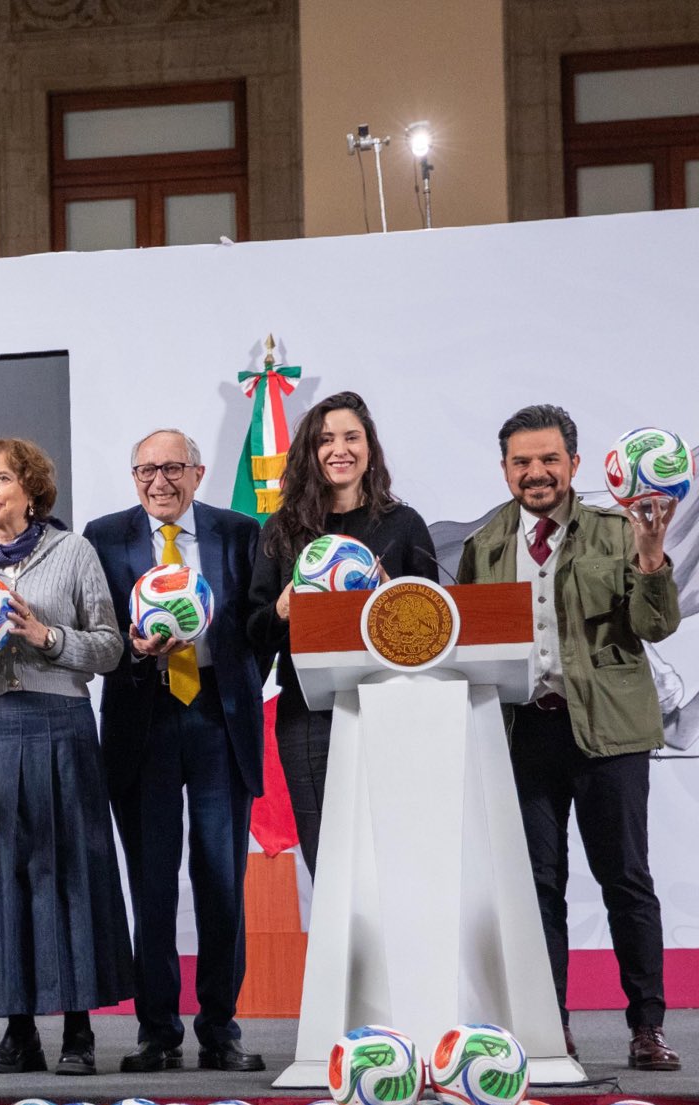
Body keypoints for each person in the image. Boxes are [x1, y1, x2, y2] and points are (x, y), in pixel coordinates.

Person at [458, 404, 681, 1070]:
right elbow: (471, 643)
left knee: (626, 881)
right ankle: (549, 1025)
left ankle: (648, 1028)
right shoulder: (485, 544)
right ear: (504, 469)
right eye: (522, 461)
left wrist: (649, 555)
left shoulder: (617, 530)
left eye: (550, 459)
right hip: (526, 735)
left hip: (609, 732)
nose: (537, 473)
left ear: (575, 465)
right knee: (537, 889)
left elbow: (656, 625)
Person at [0, 438, 130, 1076]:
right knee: (4, 876)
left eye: (4, 478)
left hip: (62, 726)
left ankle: (78, 1033)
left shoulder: (73, 551)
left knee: (70, 871)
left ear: (31, 490)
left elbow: (109, 649)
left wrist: (45, 637)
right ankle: (18, 1031)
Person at [84, 431, 267, 1073]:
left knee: (222, 884)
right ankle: (156, 1033)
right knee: (151, 886)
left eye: (171, 468)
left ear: (198, 471)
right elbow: (99, 630)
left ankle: (221, 1030)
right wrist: (135, 652)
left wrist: (232, 680)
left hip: (220, 718)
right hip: (145, 719)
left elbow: (258, 628)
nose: (158, 481)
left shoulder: (241, 532)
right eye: (145, 469)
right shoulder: (103, 537)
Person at [245, 391, 438, 873]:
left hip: (390, 704)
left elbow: (437, 629)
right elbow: (252, 632)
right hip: (308, 714)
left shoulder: (404, 525)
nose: (340, 449)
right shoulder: (282, 531)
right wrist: (283, 609)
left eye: (352, 437)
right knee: (327, 857)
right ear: (310, 452)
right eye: (326, 439)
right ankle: (341, 952)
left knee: (396, 852)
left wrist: (401, 602)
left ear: (369, 448)